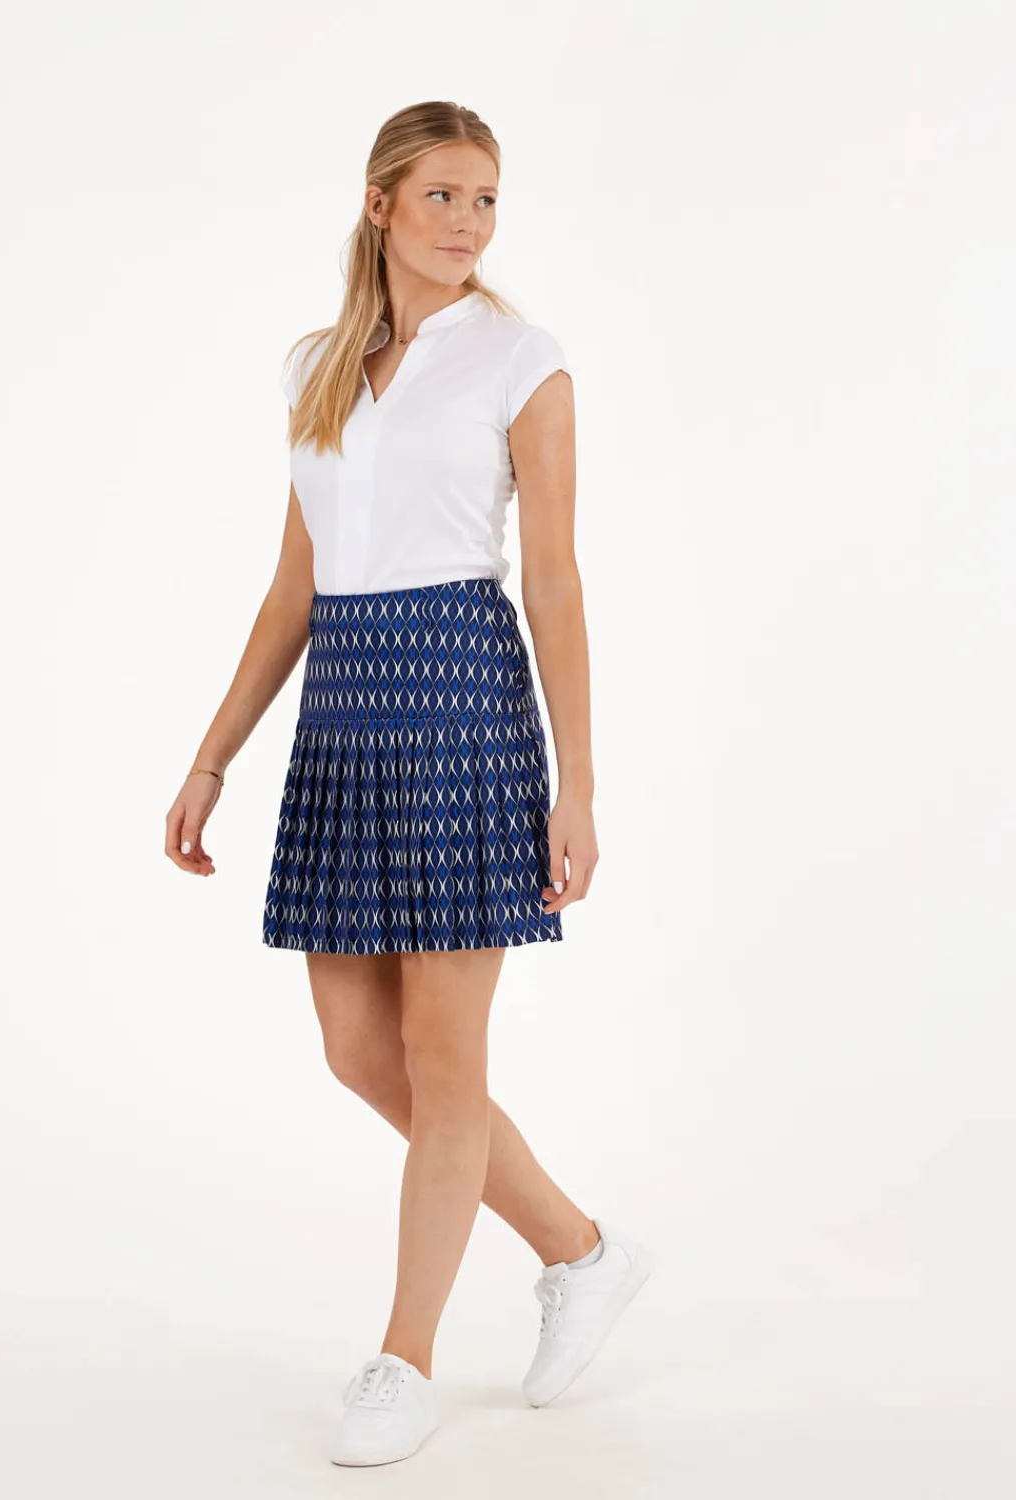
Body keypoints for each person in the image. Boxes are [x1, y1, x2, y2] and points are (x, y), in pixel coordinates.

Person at [166, 100, 653, 1466]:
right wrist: (212, 756)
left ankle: (404, 1360)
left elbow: (554, 579)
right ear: (380, 203)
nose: (469, 222)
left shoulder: (522, 361)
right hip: (344, 711)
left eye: (487, 199)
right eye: (444, 195)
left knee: (446, 1061)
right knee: (356, 1049)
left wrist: (578, 783)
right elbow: (294, 587)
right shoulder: (318, 369)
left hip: (458, 698)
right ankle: (582, 1251)